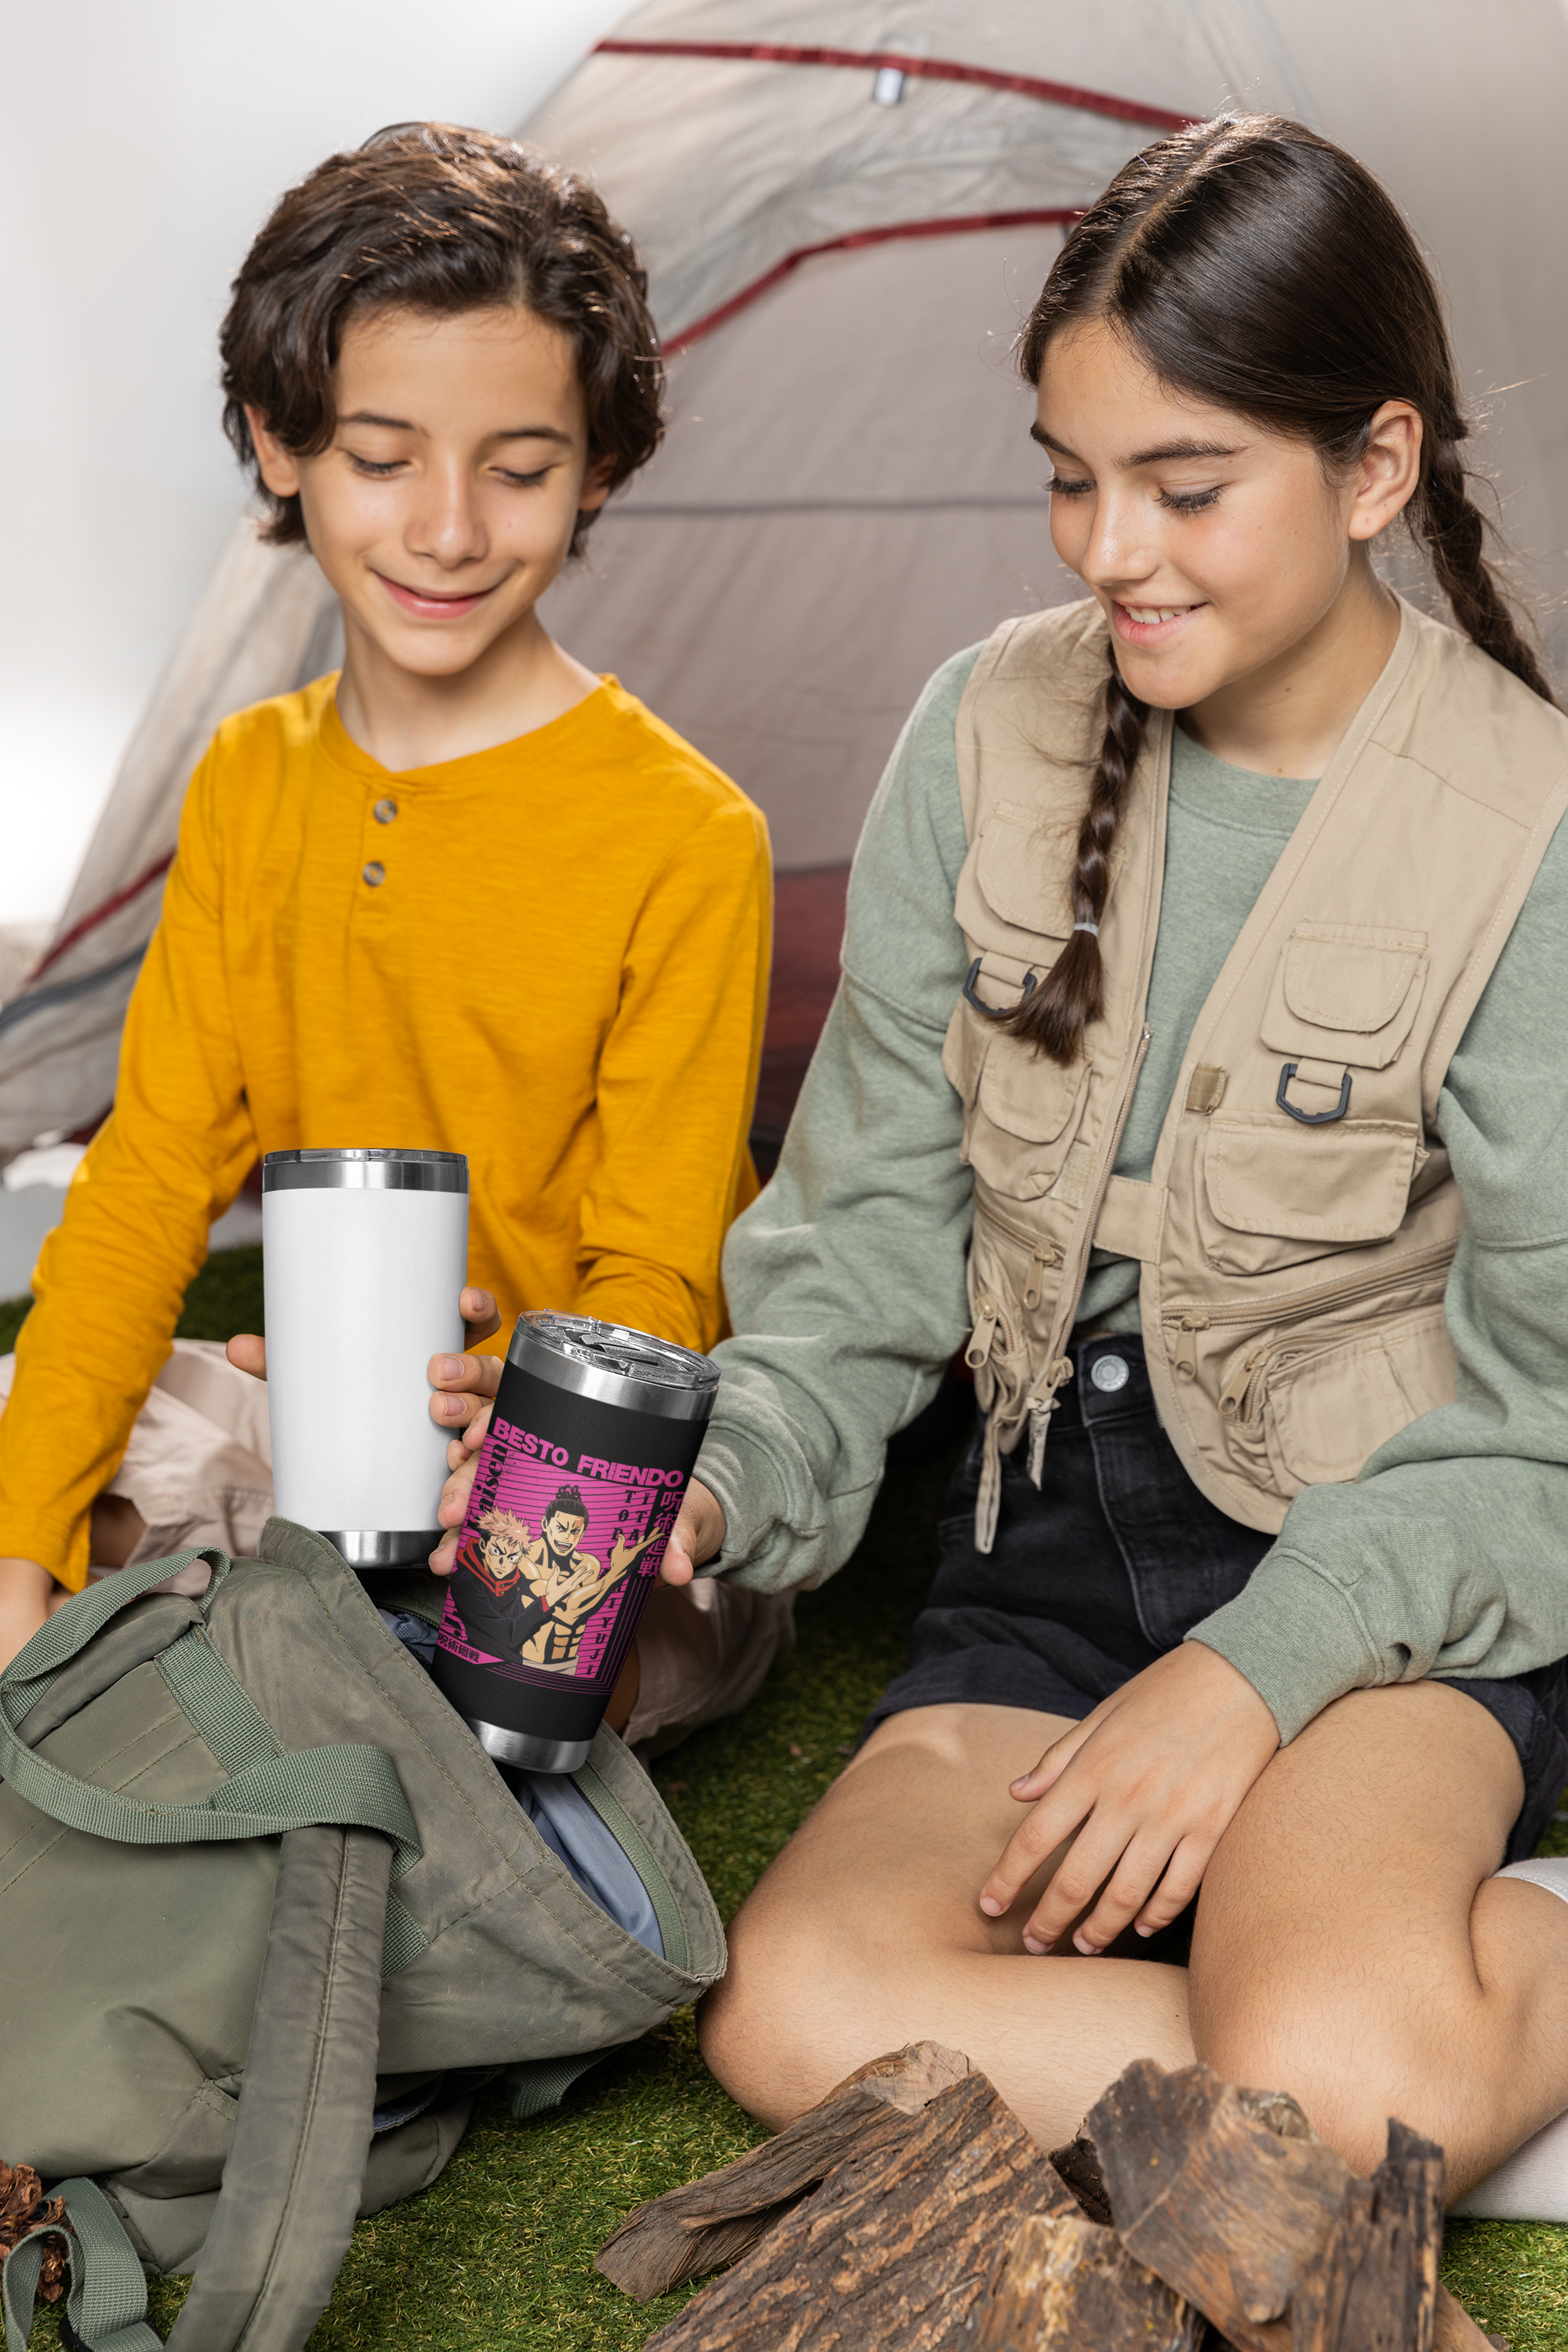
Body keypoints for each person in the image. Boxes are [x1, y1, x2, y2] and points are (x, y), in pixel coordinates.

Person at [445, 112, 1568, 2200]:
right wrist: (718, 1480)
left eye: (1186, 484)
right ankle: (1390, 2067)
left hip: (1381, 1576)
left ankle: (1420, 2016)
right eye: (1071, 478)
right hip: (1043, 1565)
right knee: (792, 2010)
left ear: (1377, 468)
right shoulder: (984, 732)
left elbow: (1548, 1421)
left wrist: (1253, 1678)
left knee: (1311, 2083)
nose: (1107, 550)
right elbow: (865, 1249)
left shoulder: (1534, 821)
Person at [0, 124, 791, 1752]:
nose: (447, 528)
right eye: (381, 456)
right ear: (276, 445)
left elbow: (654, 1279)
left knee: (507, 1672)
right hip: (315, 1426)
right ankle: (269, 1617)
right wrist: (15, 1550)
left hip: (585, 1459)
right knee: (36, 1446)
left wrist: (517, 1428)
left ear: (596, 469)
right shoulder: (249, 781)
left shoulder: (686, 834)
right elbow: (150, 1179)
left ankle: (360, 1665)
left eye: (517, 467)